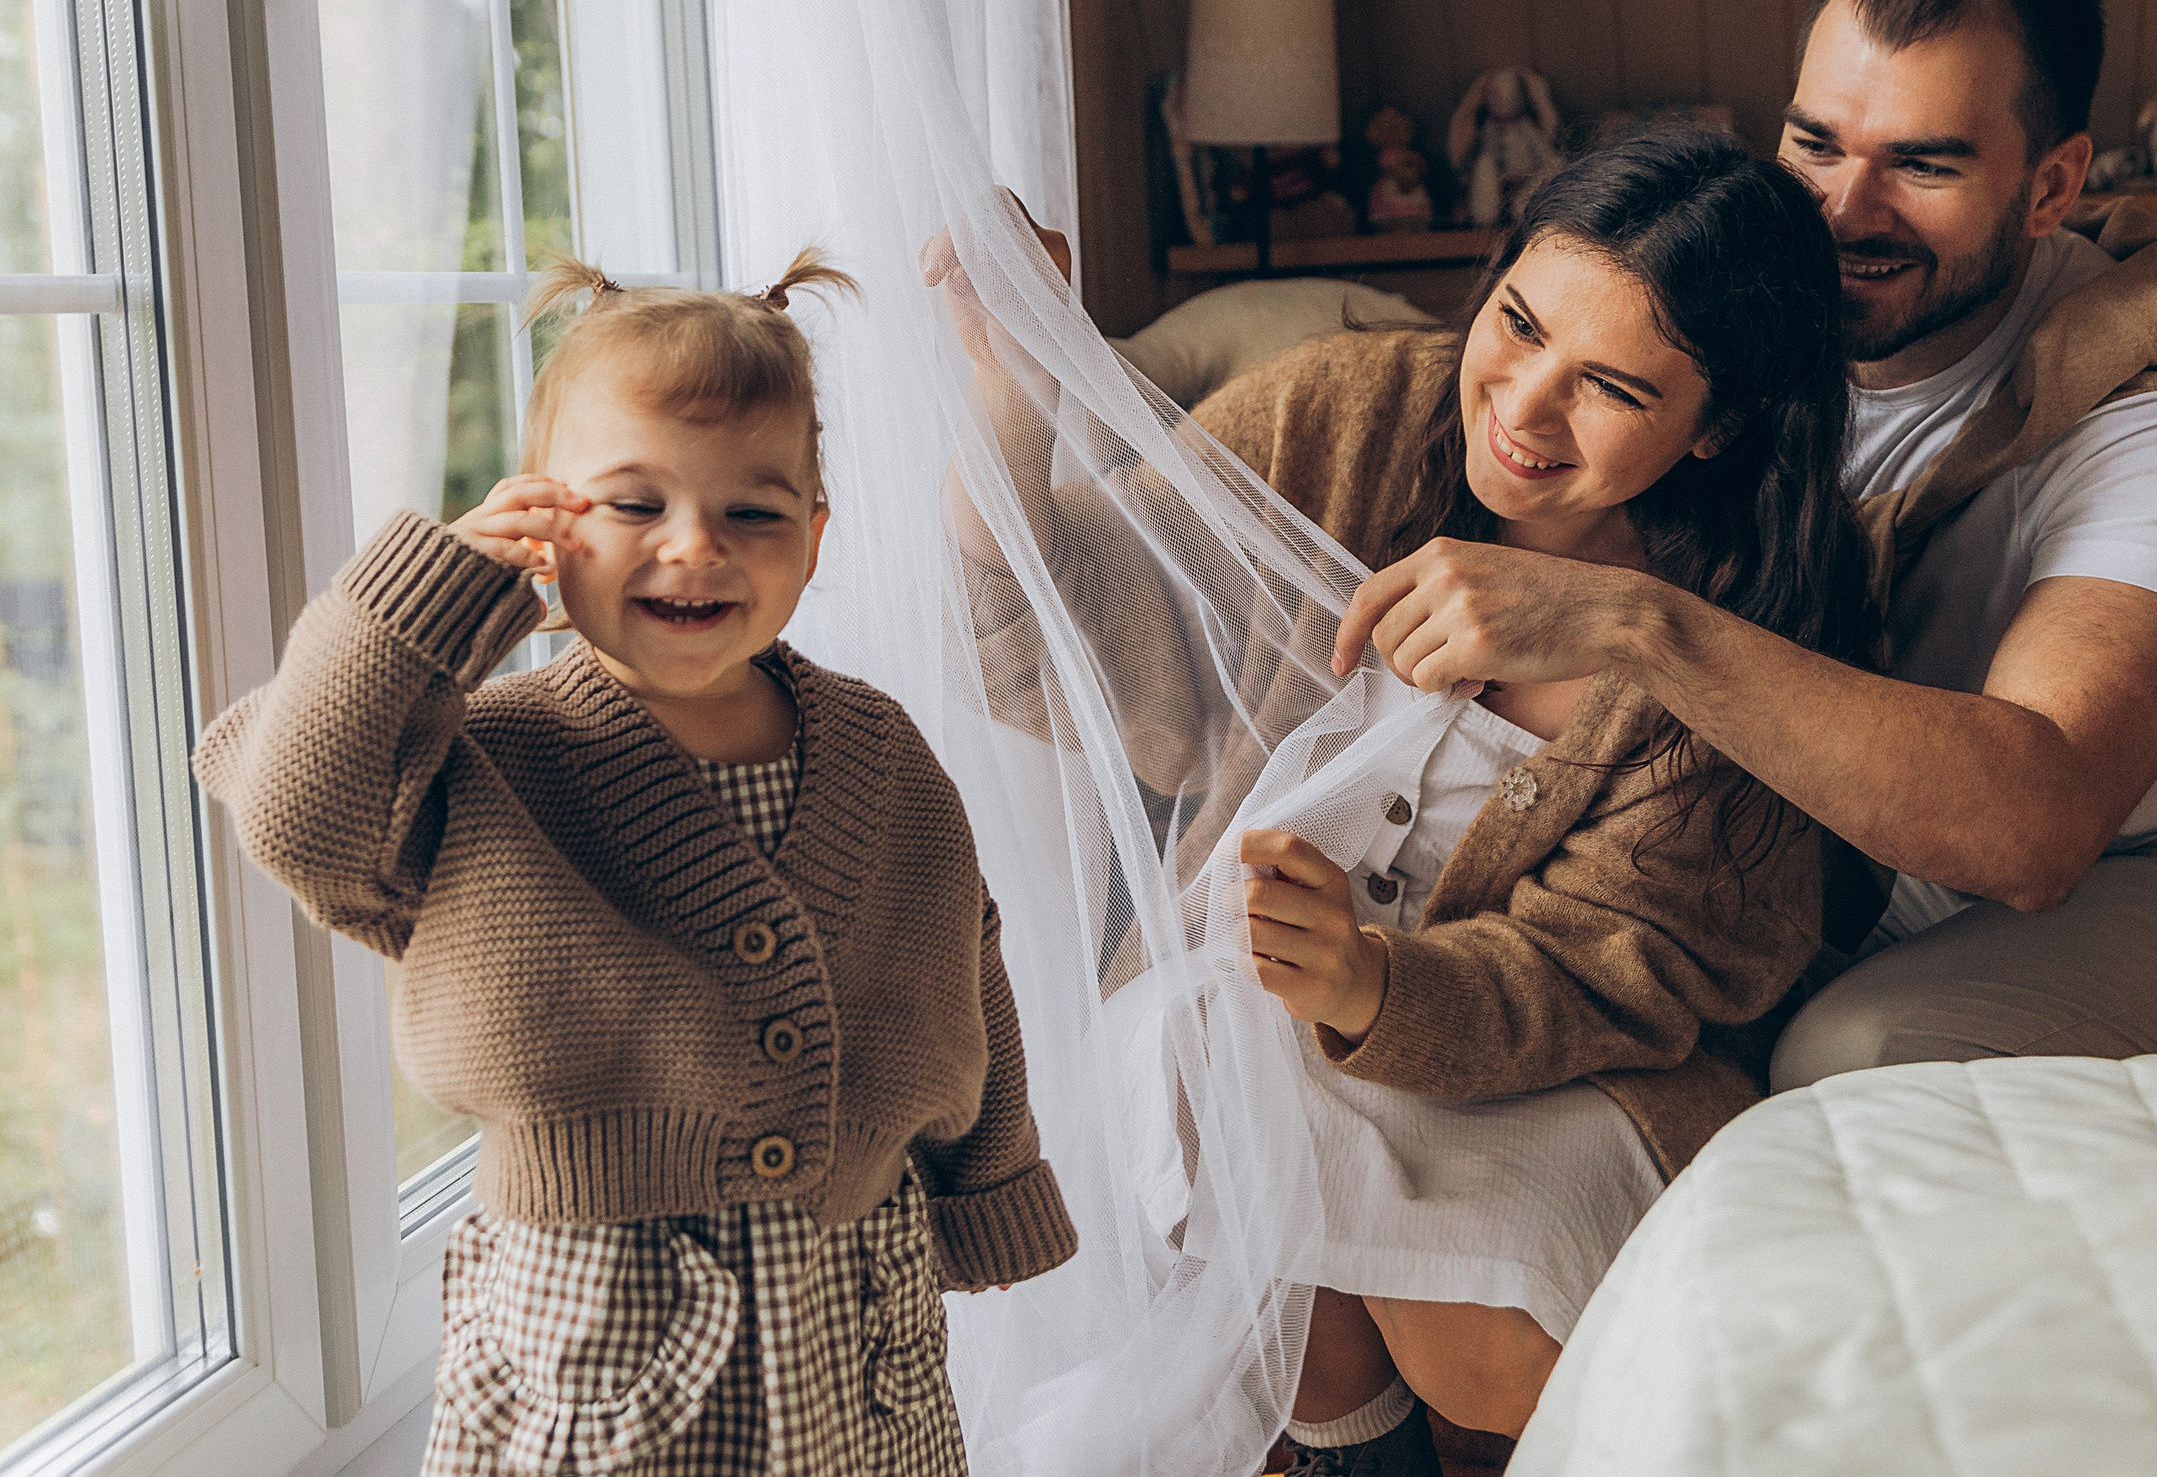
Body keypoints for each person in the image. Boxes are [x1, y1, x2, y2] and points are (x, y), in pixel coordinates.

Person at [932, 128, 1876, 1473]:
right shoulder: (1348, 419)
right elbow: (1047, 647)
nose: (1525, 409)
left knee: (1470, 1339)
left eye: (1612, 386)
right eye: (1519, 324)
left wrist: (1373, 984)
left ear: (1716, 427)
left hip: (1565, 1071)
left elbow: (1633, 972)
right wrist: (1015, 396)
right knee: (1217, 1073)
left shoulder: (1741, 615)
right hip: (1258, 1036)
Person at [1334, 0, 2157, 1093]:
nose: (1842, 212)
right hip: (1857, 894)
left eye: (1923, 165)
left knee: (1856, 1062)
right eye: (1815, 144)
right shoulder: (1735, 318)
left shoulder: (2153, 424)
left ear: (2051, 185)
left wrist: (1633, 621)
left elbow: (2036, 828)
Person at [193, 254, 1076, 1476]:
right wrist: (429, 598)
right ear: (542, 532)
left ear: (813, 540)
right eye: (633, 504)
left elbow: (957, 957)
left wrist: (991, 1180)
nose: (695, 544)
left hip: (851, 1327)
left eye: (753, 512)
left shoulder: (879, 749)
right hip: (598, 1337)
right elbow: (299, 813)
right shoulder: (484, 756)